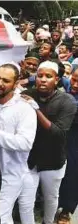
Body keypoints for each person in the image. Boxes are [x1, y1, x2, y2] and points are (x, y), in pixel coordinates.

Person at [0, 64, 37, 224]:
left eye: (5, 80)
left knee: (1, 216)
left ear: (16, 82)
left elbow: (25, 143)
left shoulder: (25, 109)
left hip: (10, 174)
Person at [21, 60, 77, 224]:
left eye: (48, 76)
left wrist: (35, 109)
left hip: (53, 160)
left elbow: (58, 133)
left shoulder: (67, 102)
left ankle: (47, 221)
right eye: (40, 76)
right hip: (29, 158)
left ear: (57, 80)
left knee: (51, 197)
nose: (43, 80)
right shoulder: (27, 93)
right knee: (26, 199)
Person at [57, 68, 78, 224]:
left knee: (72, 175)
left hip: (75, 141)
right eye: (74, 79)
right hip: (59, 137)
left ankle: (66, 210)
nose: (75, 84)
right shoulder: (66, 85)